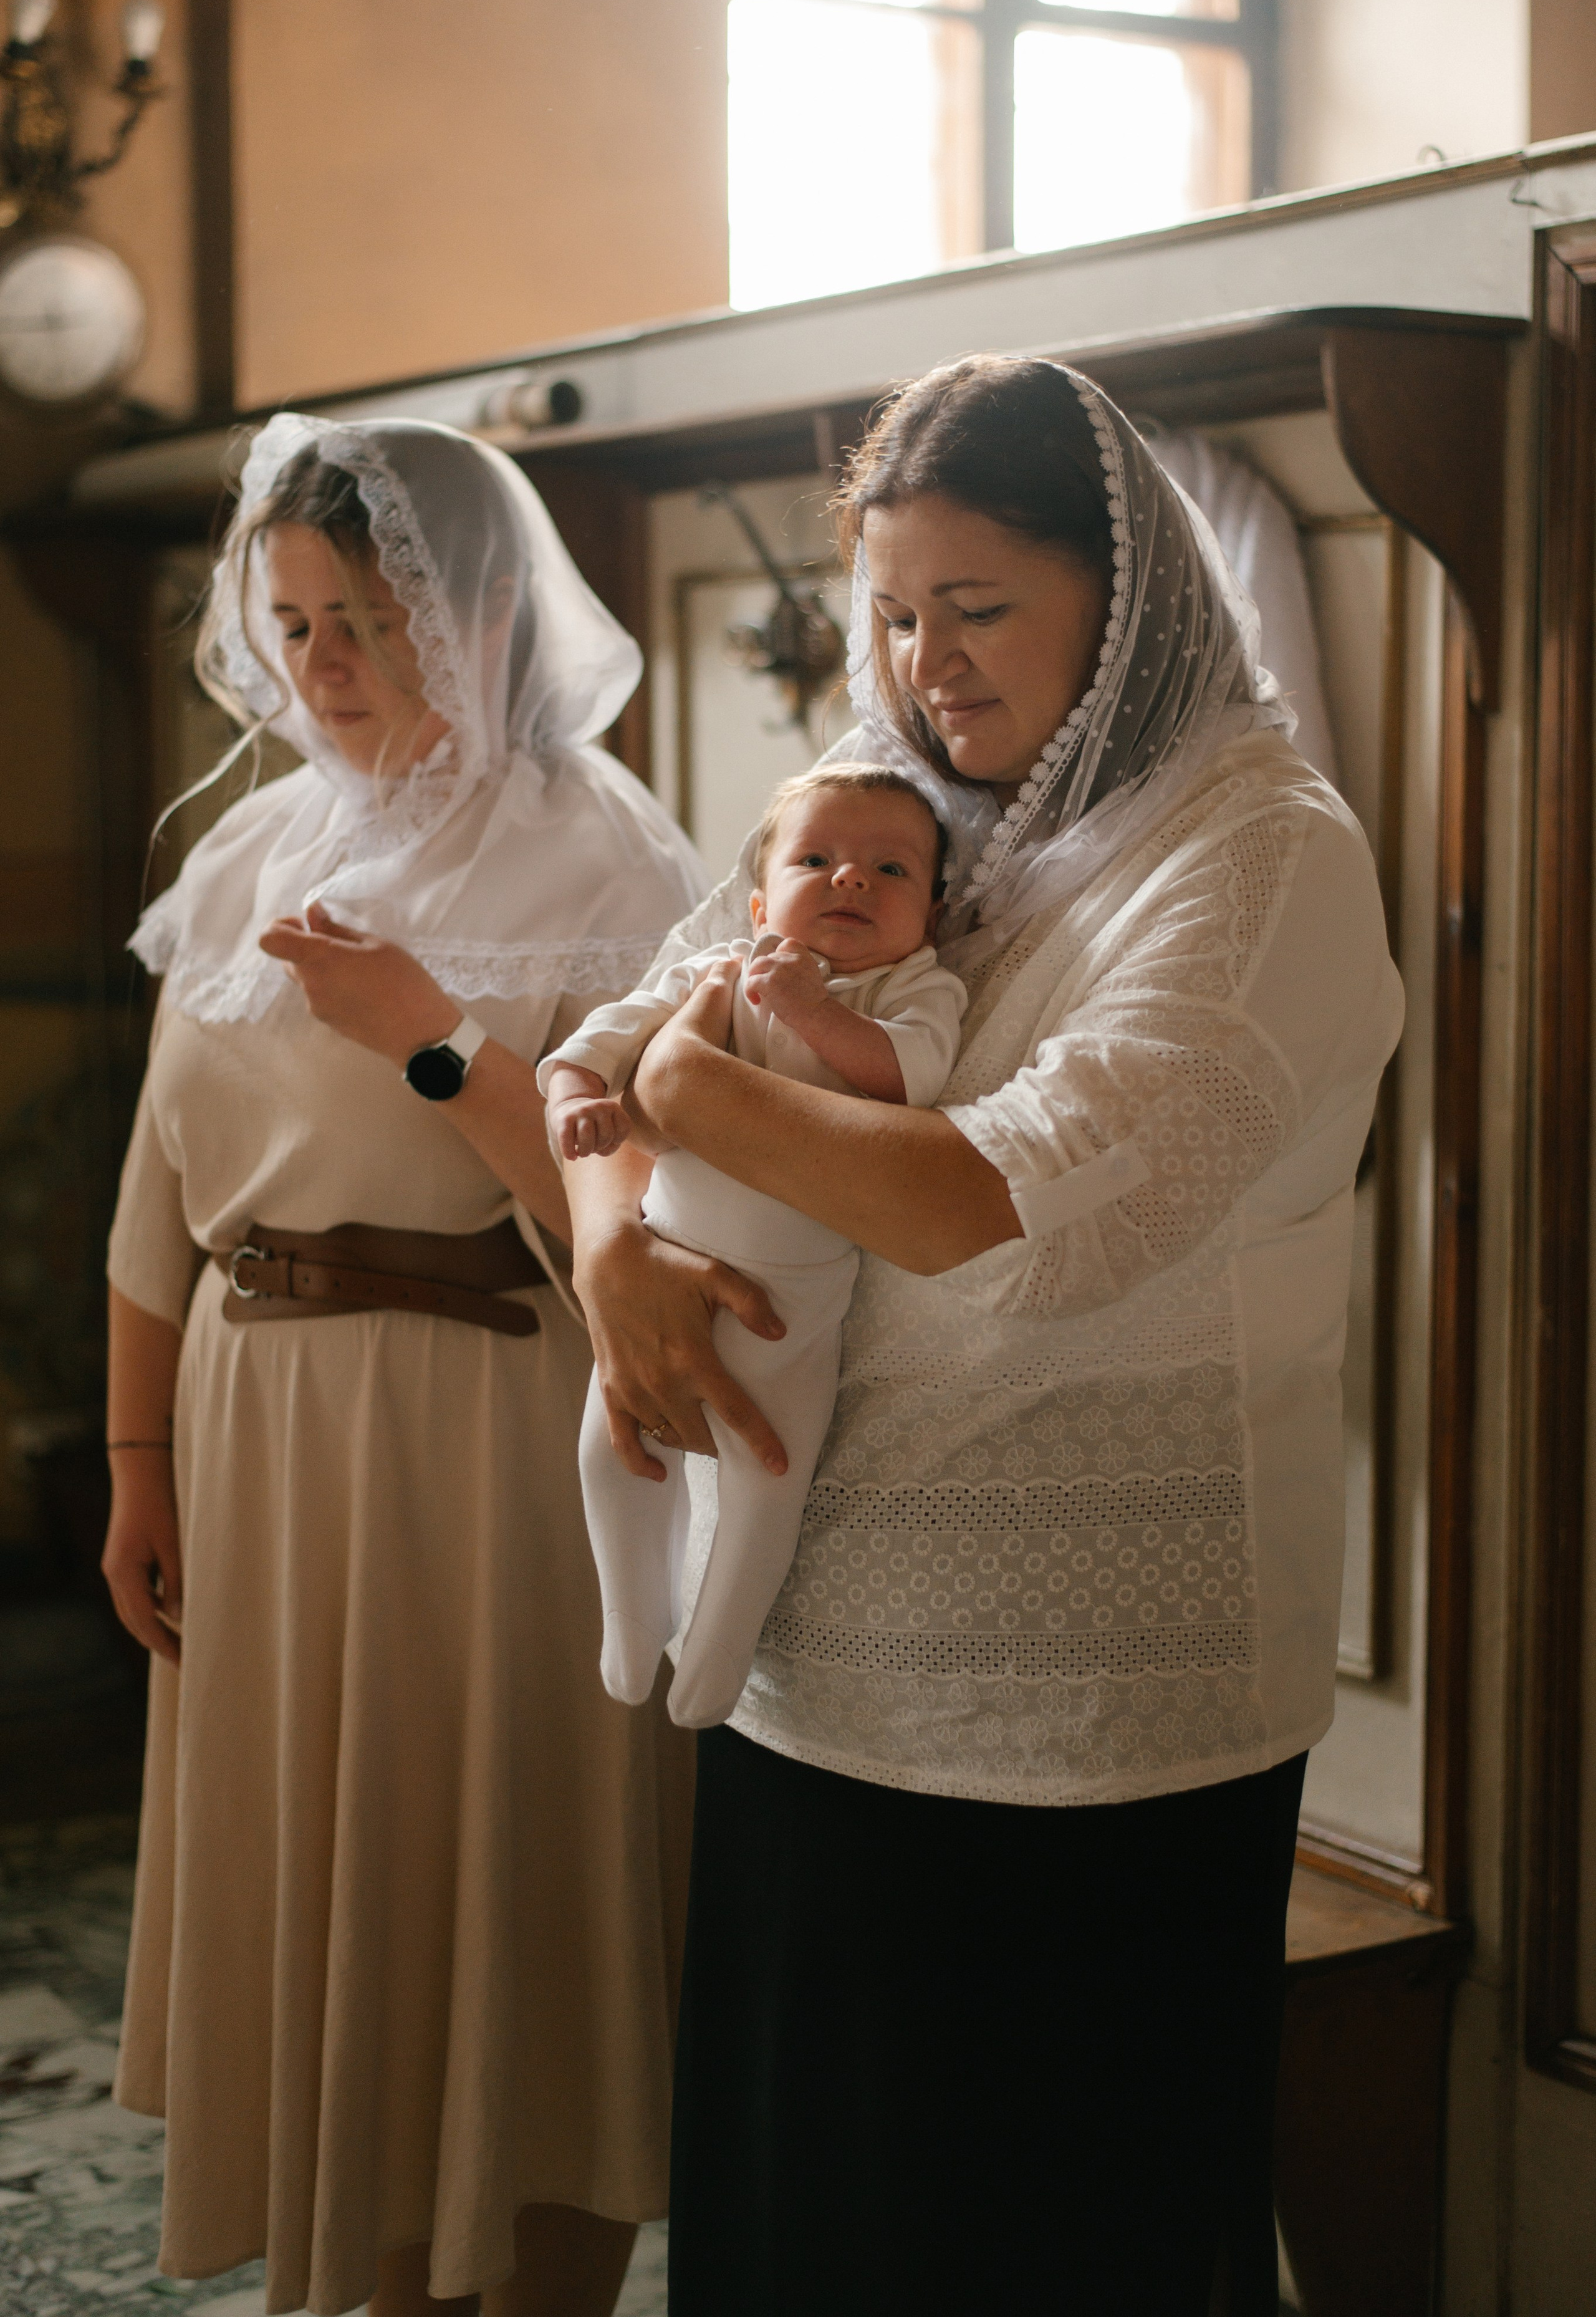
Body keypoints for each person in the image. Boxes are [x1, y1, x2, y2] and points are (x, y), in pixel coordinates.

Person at [561, 356, 1405, 2314]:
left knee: (1031, 2238)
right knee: (807, 2223)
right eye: (891, 612)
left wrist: (687, 1104)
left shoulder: (1261, 851)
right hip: (810, 1664)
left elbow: (1013, 1217)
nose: (922, 663)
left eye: (977, 608)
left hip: (1086, 1723)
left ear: (1127, 596)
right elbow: (615, 1036)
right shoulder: (907, 802)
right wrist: (613, 1252)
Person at [101, 415, 706, 2317]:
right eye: (294, 624)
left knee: (505, 1877)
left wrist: (430, 1032)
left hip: (491, 1429)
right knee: (327, 1898)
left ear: (489, 611)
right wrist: (137, 1459)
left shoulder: (604, 852)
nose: (326, 669)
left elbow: (641, 1213)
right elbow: (156, 1186)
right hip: (258, 1431)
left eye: (369, 620)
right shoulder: (255, 845)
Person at [539, 763, 966, 1728]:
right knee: (611, 1451)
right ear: (762, 898)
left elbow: (914, 1079)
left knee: (765, 1480)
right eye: (819, 860)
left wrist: (816, 1011)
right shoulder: (719, 970)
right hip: (664, 1257)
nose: (852, 880)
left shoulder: (915, 988)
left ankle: (717, 1664)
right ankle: (631, 1618)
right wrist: (577, 1098)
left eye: (890, 870)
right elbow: (597, 1038)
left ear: (933, 916)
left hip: (795, 1308)